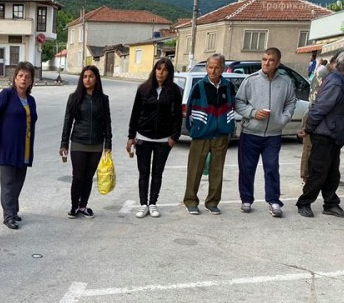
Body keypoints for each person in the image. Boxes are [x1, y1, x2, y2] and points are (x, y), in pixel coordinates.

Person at [296, 50, 344, 219]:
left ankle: (331, 203)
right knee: (318, 172)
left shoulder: (339, 80)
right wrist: (308, 128)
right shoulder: (336, 83)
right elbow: (320, 108)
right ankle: (304, 202)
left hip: (332, 135)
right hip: (324, 134)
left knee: (332, 173)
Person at [235, 47, 297, 217]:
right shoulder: (250, 80)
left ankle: (274, 201)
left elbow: (291, 102)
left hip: (273, 135)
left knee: (271, 168)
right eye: (264, 59)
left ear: (277, 63)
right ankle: (246, 199)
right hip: (250, 133)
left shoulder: (286, 82)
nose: (266, 63)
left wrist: (283, 118)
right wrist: (253, 113)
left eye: (270, 60)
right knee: (247, 168)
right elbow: (239, 102)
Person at [182, 53, 237, 215]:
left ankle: (213, 202)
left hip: (221, 135)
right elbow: (190, 111)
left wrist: (228, 127)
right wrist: (195, 130)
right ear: (206, 68)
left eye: (216, 67)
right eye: (210, 67)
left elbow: (232, 107)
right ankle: (191, 201)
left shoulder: (228, 86)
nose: (213, 71)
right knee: (195, 169)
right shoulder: (199, 86)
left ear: (222, 68)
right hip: (201, 135)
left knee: (217, 170)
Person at [126, 57, 182, 218]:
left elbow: (178, 116)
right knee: (143, 173)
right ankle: (143, 204)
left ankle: (153, 203)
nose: (161, 72)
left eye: (164, 70)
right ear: (154, 70)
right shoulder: (143, 89)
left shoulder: (174, 91)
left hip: (164, 140)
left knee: (157, 173)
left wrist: (174, 137)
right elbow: (135, 113)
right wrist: (131, 136)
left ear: (169, 72)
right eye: (158, 69)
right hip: (143, 137)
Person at [0, 62, 38, 229]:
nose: (24, 79)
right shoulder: (7, 95)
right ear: (15, 78)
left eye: (27, 76)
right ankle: (8, 215)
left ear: (31, 81)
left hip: (24, 146)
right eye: (20, 75)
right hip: (8, 146)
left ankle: (13, 210)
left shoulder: (30, 100)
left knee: (18, 181)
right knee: (8, 182)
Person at [60, 65, 113, 218]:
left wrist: (108, 143)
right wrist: (64, 144)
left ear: (96, 79)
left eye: (90, 76)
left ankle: (83, 206)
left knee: (88, 177)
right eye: (84, 76)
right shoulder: (74, 98)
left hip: (96, 144)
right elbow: (68, 121)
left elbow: (107, 123)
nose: (87, 79)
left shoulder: (103, 99)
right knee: (77, 177)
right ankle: (74, 206)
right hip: (78, 142)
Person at [300, 55, 336, 182]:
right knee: (309, 147)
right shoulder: (325, 73)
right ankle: (306, 176)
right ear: (335, 62)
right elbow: (320, 100)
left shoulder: (328, 73)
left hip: (318, 113)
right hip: (315, 113)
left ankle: (316, 176)